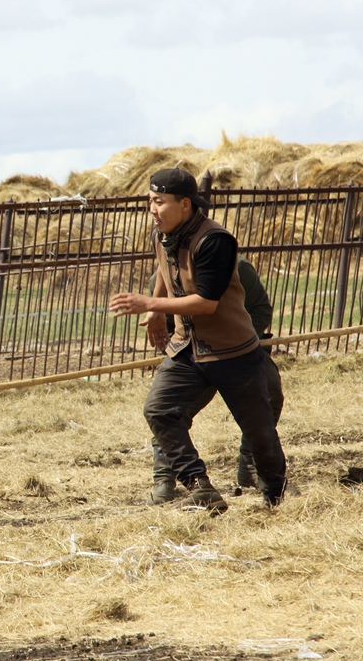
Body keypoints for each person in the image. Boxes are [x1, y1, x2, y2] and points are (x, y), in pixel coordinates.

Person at [109, 167, 287, 514]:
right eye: (150, 201)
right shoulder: (163, 233)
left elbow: (206, 303)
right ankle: (199, 486)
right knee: (160, 410)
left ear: (185, 204)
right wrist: (156, 310)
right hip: (187, 348)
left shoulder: (214, 241)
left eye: (160, 202)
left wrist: (147, 302)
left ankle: (274, 499)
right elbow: (165, 267)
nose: (152, 209)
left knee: (259, 432)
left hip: (233, 352)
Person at [145, 257, 284, 504]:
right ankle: (166, 476)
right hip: (192, 356)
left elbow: (261, 309)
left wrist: (238, 340)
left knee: (269, 391)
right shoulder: (161, 279)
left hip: (238, 351)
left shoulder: (236, 268)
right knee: (165, 406)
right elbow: (166, 326)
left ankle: (253, 468)